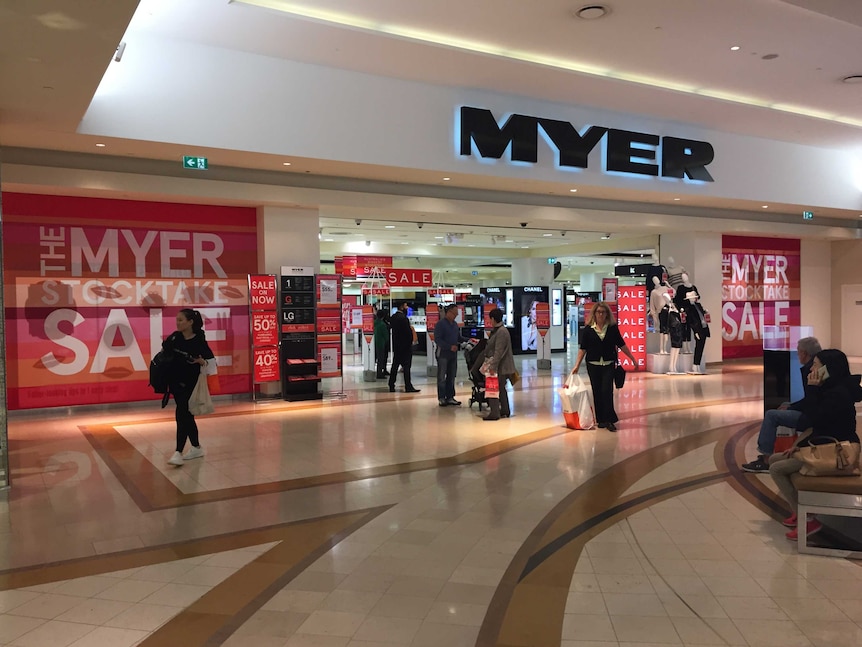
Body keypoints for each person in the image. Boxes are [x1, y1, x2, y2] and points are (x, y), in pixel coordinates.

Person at [768, 349, 862, 540]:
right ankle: (800, 508)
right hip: (826, 444)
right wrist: (800, 445)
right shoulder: (832, 388)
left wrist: (812, 389)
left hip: (839, 451)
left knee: (777, 469)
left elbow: (815, 419)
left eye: (816, 364)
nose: (812, 368)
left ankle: (808, 519)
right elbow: (820, 426)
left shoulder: (838, 394)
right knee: (775, 458)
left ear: (828, 368)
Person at [742, 336, 821, 473]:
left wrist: (791, 407)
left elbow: (811, 400)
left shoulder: (810, 371)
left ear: (805, 353)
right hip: (815, 410)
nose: (797, 354)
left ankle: (766, 459)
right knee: (785, 404)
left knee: (771, 415)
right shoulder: (818, 367)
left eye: (798, 351)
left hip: (811, 415)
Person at [571, 302, 637, 432]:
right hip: (593, 365)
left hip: (608, 364)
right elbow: (583, 349)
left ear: (607, 314)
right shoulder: (589, 329)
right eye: (598, 312)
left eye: (603, 312)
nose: (601, 314)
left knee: (607, 391)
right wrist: (576, 365)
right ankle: (600, 419)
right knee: (596, 392)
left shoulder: (612, 328)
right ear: (594, 314)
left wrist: (632, 358)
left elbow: (621, 344)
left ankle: (609, 420)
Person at [163, 309, 215, 466]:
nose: (177, 323)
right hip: (175, 382)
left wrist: (201, 362)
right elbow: (165, 352)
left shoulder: (199, 340)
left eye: (181, 320)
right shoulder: (175, 337)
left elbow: (210, 362)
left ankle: (178, 451)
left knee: (182, 414)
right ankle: (196, 447)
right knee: (187, 415)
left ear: (191, 322)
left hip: (191, 384)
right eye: (177, 320)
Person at [479, 308, 516, 420]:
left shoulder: (501, 332)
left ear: (493, 319)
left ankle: (495, 412)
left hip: (500, 366)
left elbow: (498, 351)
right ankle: (505, 410)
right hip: (501, 366)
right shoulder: (500, 330)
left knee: (493, 388)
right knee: (501, 388)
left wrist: (493, 367)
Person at [388, 302, 420, 393]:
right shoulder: (403, 319)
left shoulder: (393, 317)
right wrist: (410, 342)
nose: (407, 308)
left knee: (395, 365)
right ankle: (408, 386)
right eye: (406, 306)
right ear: (402, 307)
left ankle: (391, 384)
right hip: (405, 346)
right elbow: (407, 333)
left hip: (397, 345)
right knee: (406, 367)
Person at [434, 304, 462, 406]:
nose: (455, 316)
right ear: (449, 312)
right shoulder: (440, 324)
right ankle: (442, 397)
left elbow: (458, 338)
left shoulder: (455, 325)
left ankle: (450, 396)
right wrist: (449, 347)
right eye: (454, 313)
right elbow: (437, 339)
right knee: (442, 376)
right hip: (443, 354)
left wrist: (469, 340)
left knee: (451, 376)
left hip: (453, 355)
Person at [373, 309, 390, 379]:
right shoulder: (382, 325)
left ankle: (375, 372)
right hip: (381, 344)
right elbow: (386, 336)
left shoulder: (374, 323)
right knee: (380, 359)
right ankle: (379, 373)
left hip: (374, 343)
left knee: (376, 358)